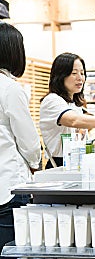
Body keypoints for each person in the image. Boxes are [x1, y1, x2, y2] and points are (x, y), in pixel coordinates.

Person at [0, 23, 41, 254]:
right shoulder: (10, 88)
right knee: (12, 249)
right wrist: (35, 163)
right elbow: (29, 141)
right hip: (9, 185)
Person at [40, 52, 95, 169]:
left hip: (77, 163)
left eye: (82, 73)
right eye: (74, 73)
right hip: (59, 165)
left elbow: (78, 136)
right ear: (60, 75)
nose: (80, 78)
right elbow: (74, 121)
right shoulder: (51, 101)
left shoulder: (75, 105)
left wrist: (94, 142)